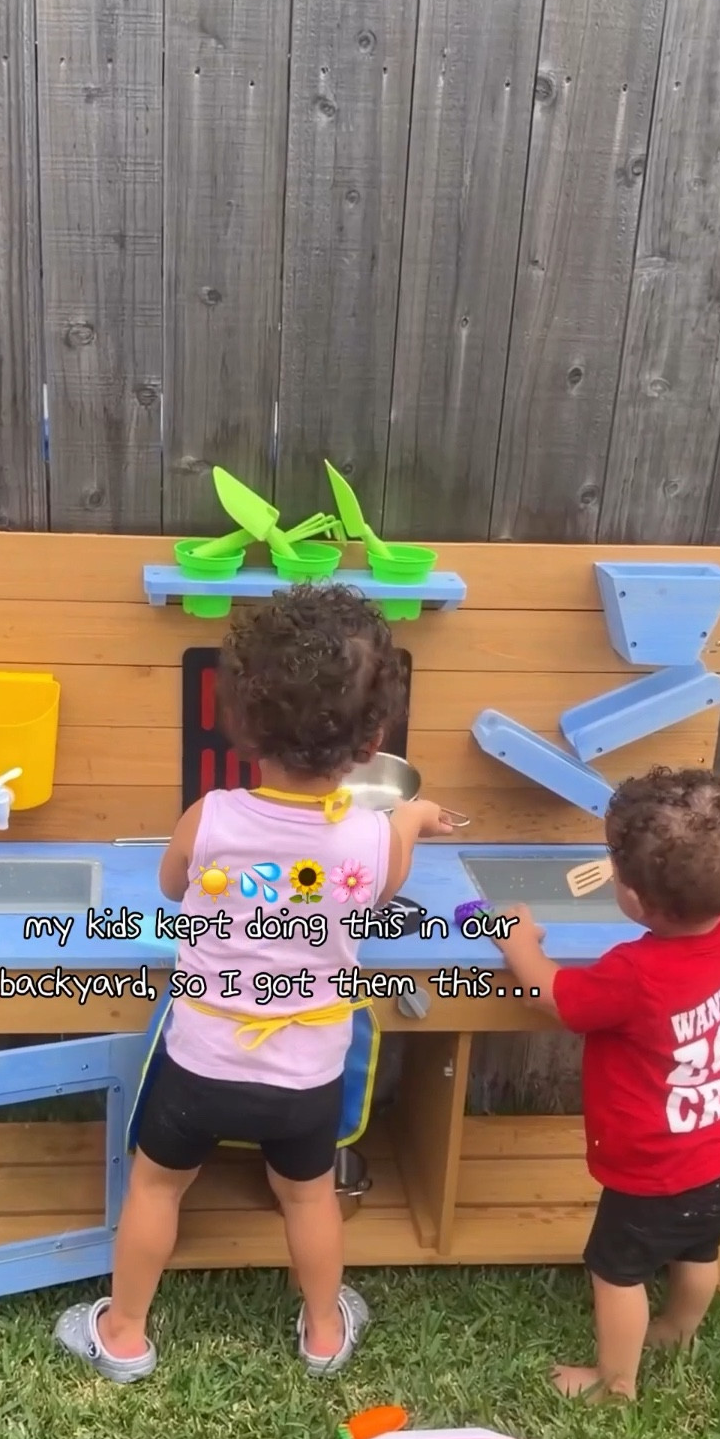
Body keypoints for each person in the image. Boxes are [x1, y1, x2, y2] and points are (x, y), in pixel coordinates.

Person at [55, 585, 452, 1382]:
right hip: (306, 1076)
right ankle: (323, 1333)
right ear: (374, 739)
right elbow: (391, 868)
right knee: (308, 1199)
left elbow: (171, 887)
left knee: (158, 1188)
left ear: (241, 723)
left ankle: (125, 1331)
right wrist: (415, 818)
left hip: (200, 1062)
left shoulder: (210, 818)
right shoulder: (371, 839)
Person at [492, 767, 720, 1401]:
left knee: (615, 1272)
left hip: (658, 1175)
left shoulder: (633, 975)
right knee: (699, 1251)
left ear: (638, 903)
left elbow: (556, 997)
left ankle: (614, 1382)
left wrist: (520, 944)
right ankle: (678, 1329)